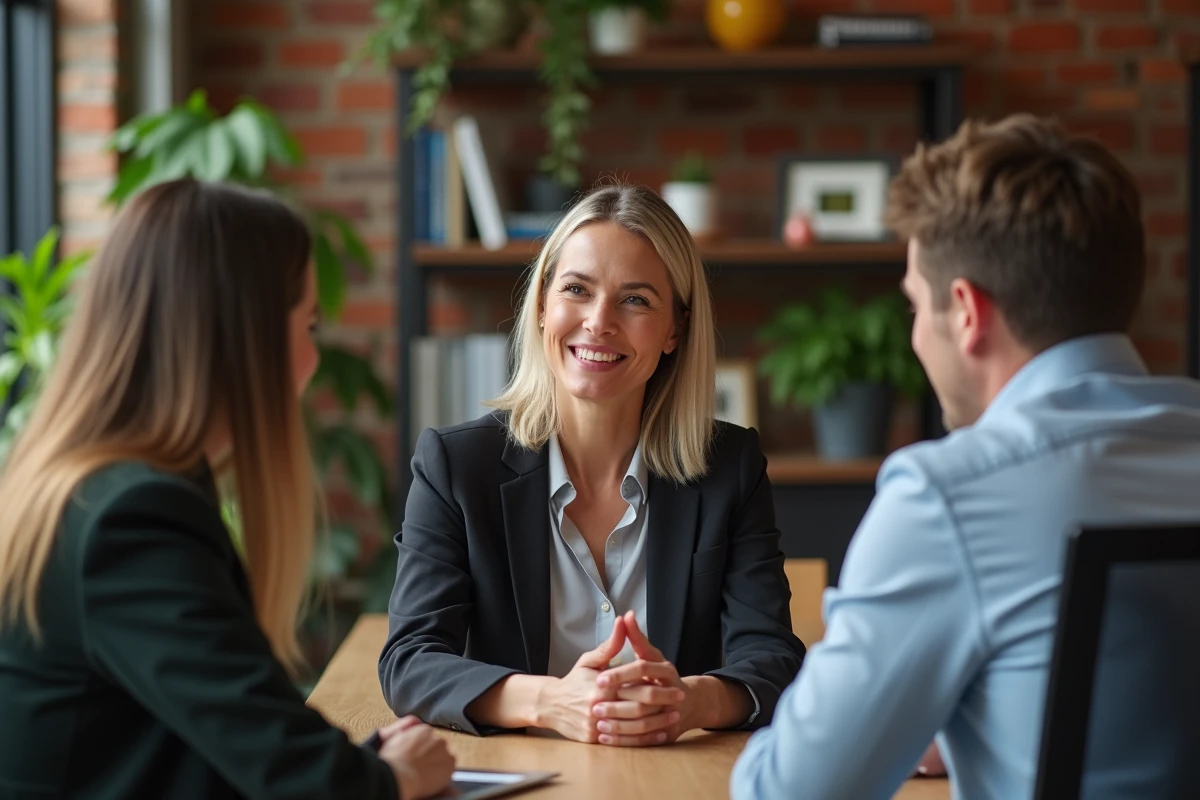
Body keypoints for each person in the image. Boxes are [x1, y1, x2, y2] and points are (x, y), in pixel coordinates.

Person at [731, 114, 1200, 799]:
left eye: (916, 307)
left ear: (967, 312)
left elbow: (789, 791)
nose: (917, 335)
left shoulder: (948, 498)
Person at [0, 179, 454, 799]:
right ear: (246, 334)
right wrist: (392, 779)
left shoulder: (91, 486)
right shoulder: (132, 517)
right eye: (310, 325)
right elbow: (294, 775)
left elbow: (224, 735)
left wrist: (361, 764)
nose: (315, 359)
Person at [380, 183, 805, 746]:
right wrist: (551, 702)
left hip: (675, 776)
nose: (599, 322)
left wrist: (688, 700)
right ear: (541, 307)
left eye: (636, 300)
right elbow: (410, 660)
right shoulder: (456, 467)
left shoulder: (729, 468)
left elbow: (773, 657)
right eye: (577, 289)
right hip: (521, 777)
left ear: (674, 329)